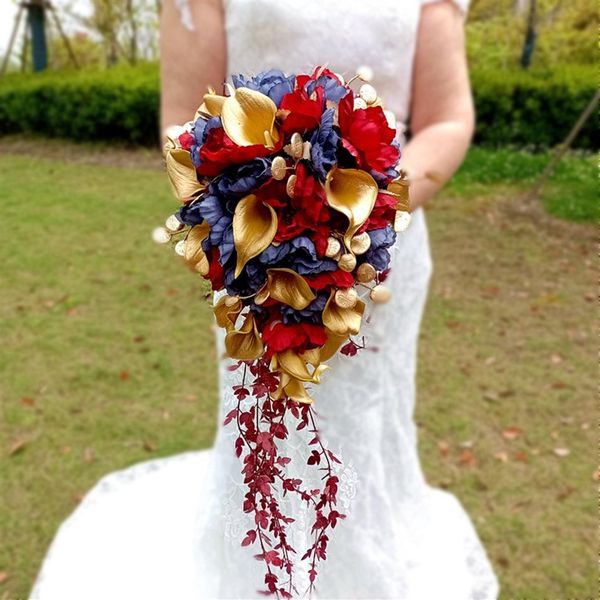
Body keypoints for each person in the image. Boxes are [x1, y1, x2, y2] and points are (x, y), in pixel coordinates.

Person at [31, 1, 500, 598]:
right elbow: (183, 123)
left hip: (384, 253)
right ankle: (255, 572)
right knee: (267, 424)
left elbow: (447, 119)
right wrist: (255, 231)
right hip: (256, 251)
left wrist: (368, 213)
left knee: (369, 420)